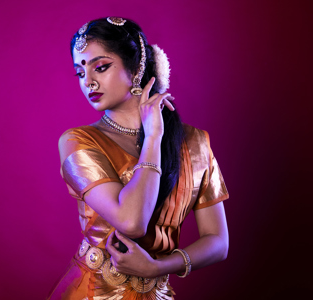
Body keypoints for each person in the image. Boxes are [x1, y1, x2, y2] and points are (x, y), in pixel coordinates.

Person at [48, 17, 229, 300]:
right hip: (92, 291)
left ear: (137, 68)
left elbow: (218, 242)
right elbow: (132, 222)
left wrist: (158, 267)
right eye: (79, 73)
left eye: (101, 67)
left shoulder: (194, 142)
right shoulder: (77, 142)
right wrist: (153, 138)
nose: (88, 82)